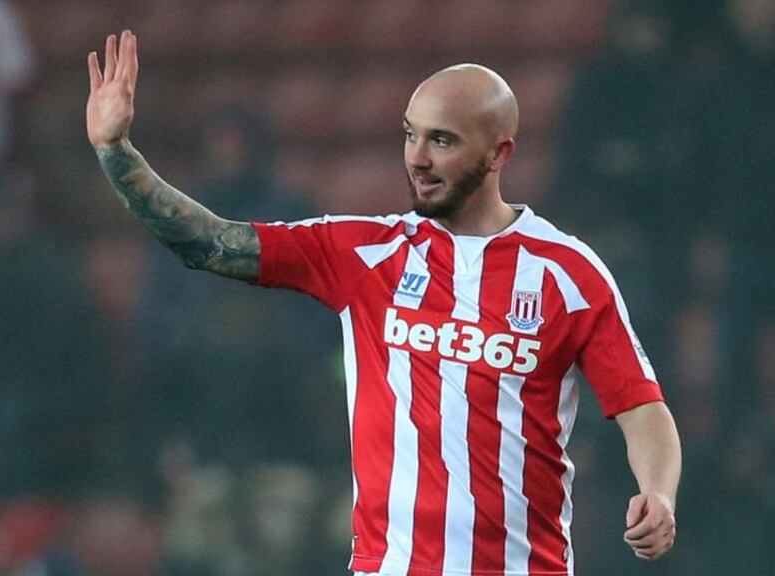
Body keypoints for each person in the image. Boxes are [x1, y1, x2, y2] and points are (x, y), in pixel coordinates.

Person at [86, 30, 681, 575]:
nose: (417, 157)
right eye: (410, 134)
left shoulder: (566, 273)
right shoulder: (367, 254)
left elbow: (642, 408)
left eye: (441, 140)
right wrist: (116, 151)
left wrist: (658, 493)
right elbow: (211, 242)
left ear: (499, 154)